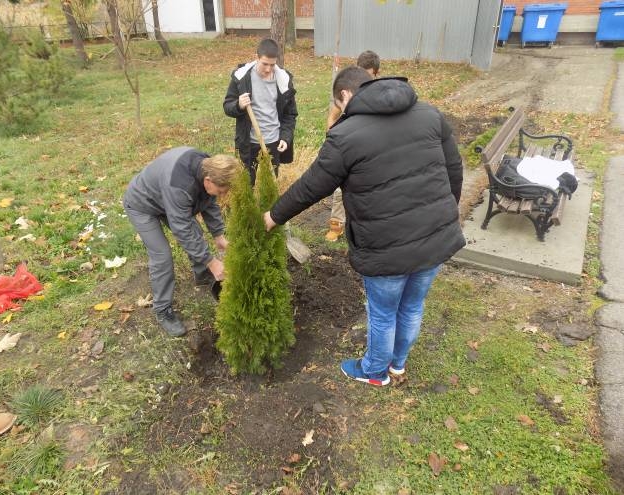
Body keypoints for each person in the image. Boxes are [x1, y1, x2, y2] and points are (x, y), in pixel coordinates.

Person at [263, 67, 465, 386]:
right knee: (412, 305)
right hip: (435, 237)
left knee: (384, 313)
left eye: (338, 104)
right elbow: (454, 169)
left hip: (384, 247)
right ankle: (397, 365)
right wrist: (443, 217)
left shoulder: (346, 136)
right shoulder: (429, 115)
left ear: (345, 95)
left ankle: (374, 373)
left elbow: (311, 187)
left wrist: (271, 217)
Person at [123, 148, 241, 337]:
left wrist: (219, 236)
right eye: (220, 191)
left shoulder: (208, 167)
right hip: (142, 204)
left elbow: (208, 202)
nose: (221, 195)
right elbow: (182, 229)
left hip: (166, 198)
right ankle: (163, 311)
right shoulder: (180, 186)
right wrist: (212, 261)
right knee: (162, 256)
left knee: (195, 232)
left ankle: (203, 275)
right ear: (208, 181)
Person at [223, 38, 298, 185]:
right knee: (246, 184)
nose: (268, 69)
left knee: (269, 186)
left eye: (272, 64)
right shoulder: (242, 78)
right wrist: (238, 105)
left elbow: (290, 114)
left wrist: (285, 137)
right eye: (264, 64)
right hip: (248, 143)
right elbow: (227, 106)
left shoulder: (283, 81)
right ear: (256, 57)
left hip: (273, 142)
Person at [324, 50, 380, 242]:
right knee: (340, 188)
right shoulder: (348, 91)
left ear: (376, 74)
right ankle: (336, 225)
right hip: (349, 147)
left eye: (369, 74)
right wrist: (331, 133)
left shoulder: (380, 95)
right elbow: (333, 115)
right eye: (361, 72)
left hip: (371, 150)